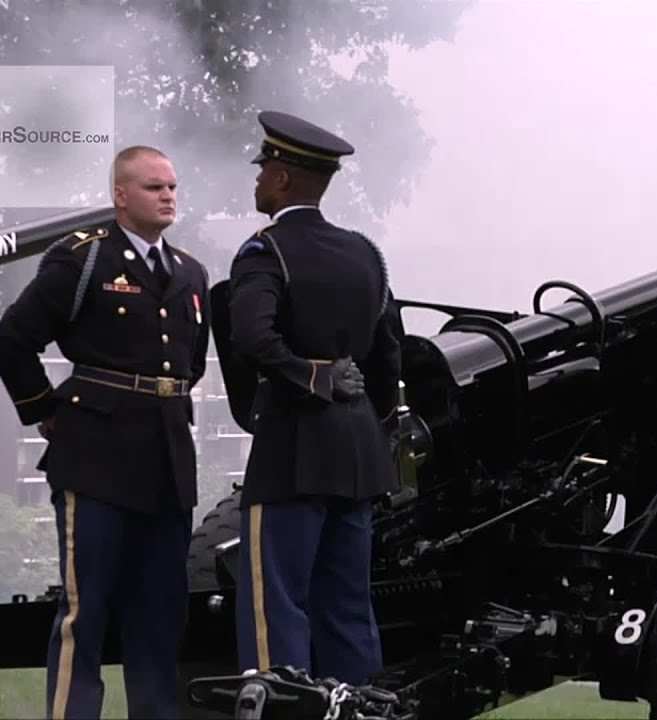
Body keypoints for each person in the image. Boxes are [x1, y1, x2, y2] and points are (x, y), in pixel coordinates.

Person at [0, 145, 211, 719]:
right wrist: (46, 408)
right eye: (153, 187)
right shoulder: (81, 259)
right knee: (84, 613)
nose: (167, 196)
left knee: (162, 610)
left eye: (172, 187)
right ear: (120, 196)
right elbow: (13, 339)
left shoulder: (190, 272)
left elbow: (191, 365)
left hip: (166, 459)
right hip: (96, 457)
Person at [225, 110, 404, 686]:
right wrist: (366, 422)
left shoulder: (264, 251)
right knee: (348, 609)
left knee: (276, 607)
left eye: (262, 170)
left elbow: (251, 336)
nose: (256, 181)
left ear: (281, 180)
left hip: (291, 451)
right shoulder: (365, 254)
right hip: (357, 456)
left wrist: (308, 378)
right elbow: (388, 355)